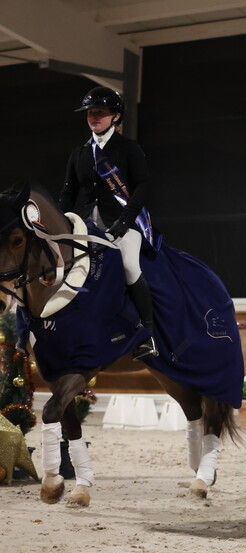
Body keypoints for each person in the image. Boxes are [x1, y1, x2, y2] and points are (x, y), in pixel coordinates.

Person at [59, 87, 158, 360]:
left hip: (122, 221)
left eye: (100, 112)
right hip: (84, 224)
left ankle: (147, 333)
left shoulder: (128, 148)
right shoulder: (79, 152)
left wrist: (125, 221)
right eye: (90, 113)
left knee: (129, 266)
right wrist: (59, 220)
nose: (94, 117)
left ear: (115, 116)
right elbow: (68, 192)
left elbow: (142, 186)